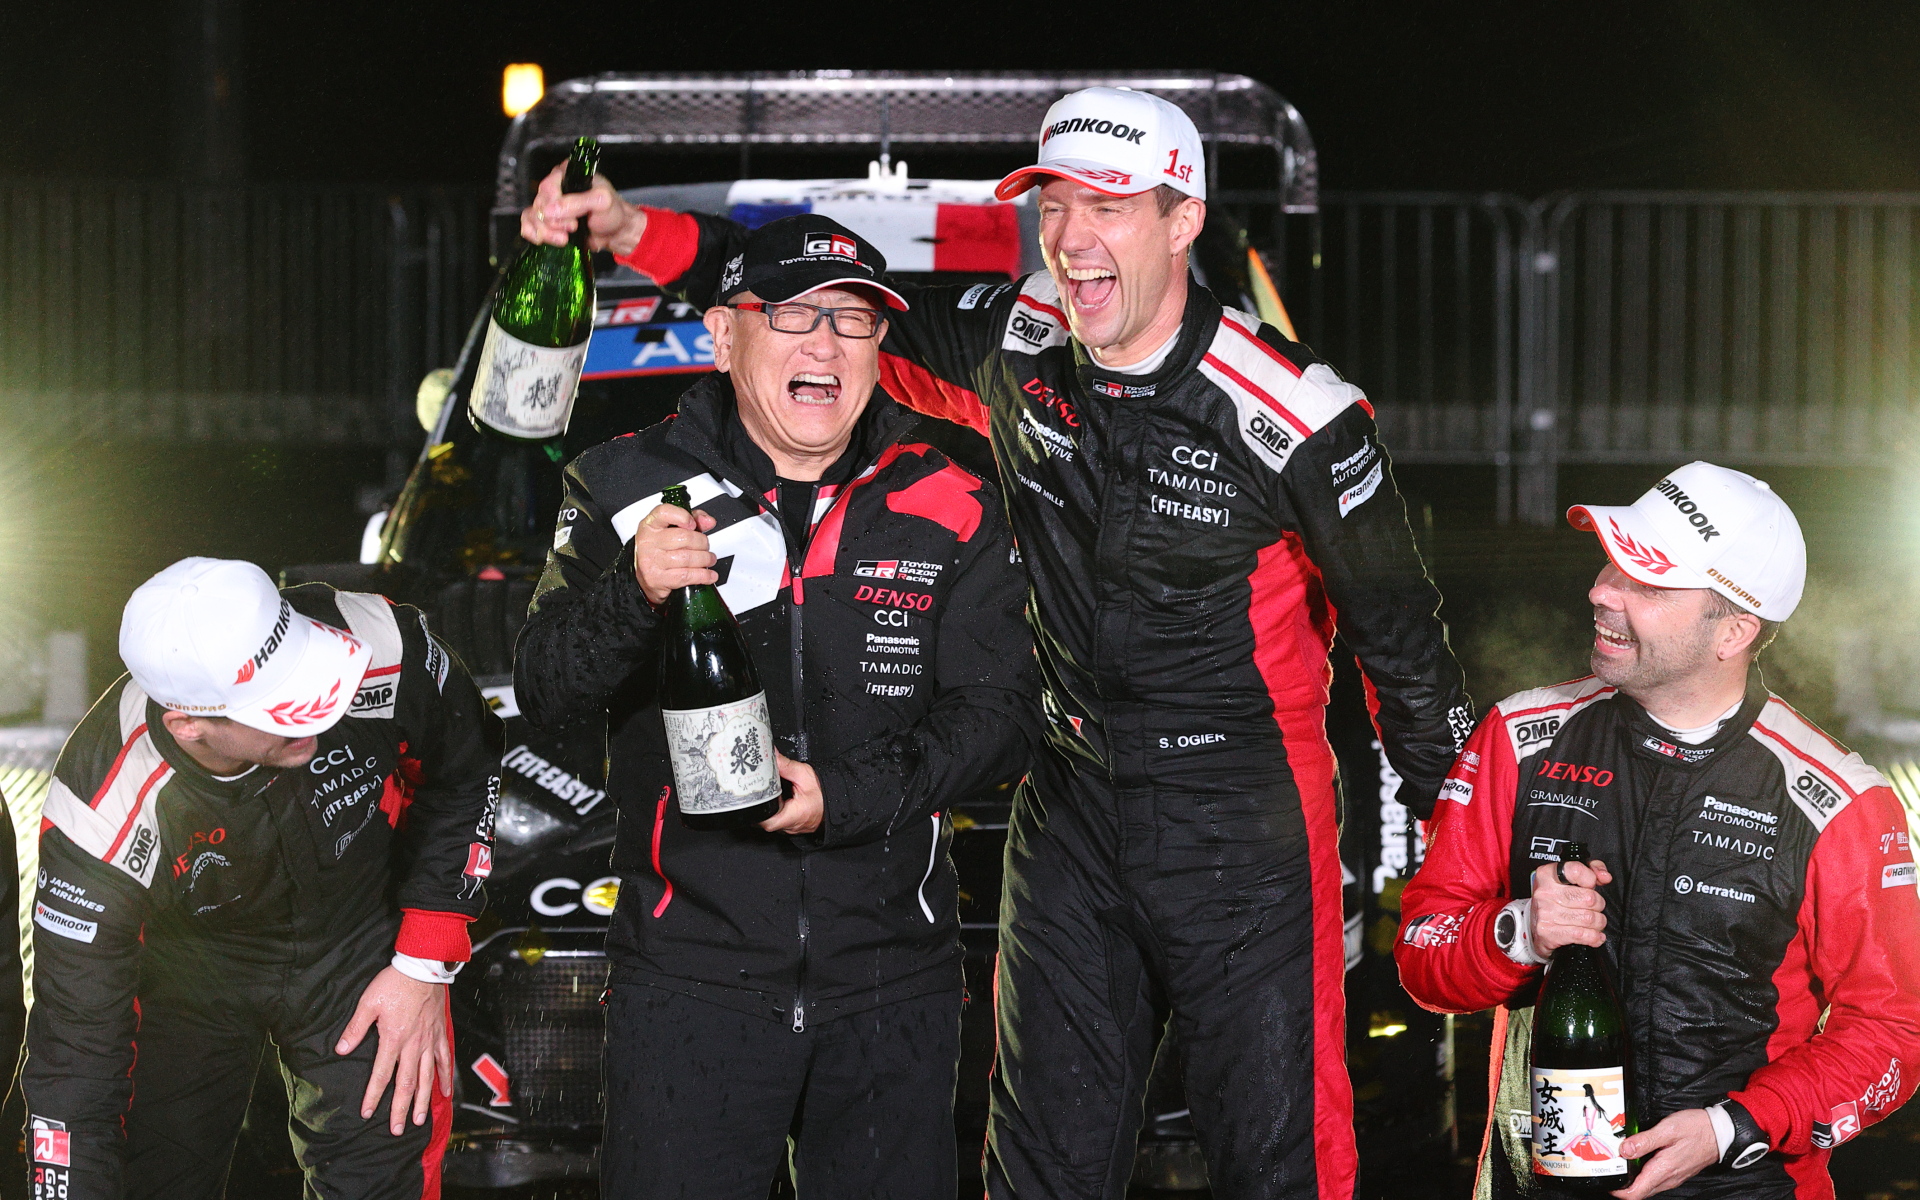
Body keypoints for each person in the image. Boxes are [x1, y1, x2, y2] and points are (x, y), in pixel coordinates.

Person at [521, 85, 1470, 1198]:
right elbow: (797, 299)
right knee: (1041, 1167)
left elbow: (1408, 651)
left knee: (1279, 1160)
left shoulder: (1301, 413)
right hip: (1068, 804)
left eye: (1108, 207)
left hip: (1243, 815)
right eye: (1054, 206)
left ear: (1183, 220)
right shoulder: (1018, 335)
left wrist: (1474, 862)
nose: (1072, 238)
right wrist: (631, 229)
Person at [512, 214, 1038, 1200]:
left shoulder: (959, 493)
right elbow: (545, 690)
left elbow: (1002, 718)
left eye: (853, 319)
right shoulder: (622, 483)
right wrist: (635, 593)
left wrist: (842, 794)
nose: (826, 344)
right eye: (793, 314)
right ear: (723, 335)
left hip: (893, 983)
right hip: (688, 982)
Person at [1396, 462, 1920, 1199]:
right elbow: (1422, 956)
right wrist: (1519, 932)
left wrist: (1732, 1127)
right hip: (1545, 1182)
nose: (1601, 591)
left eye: (1646, 583)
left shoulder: (1840, 802)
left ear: (1733, 630)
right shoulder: (1519, 738)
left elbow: (1893, 1032)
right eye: (1612, 565)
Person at [22, 558, 502, 1200]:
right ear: (188, 725)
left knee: (384, 1174)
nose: (320, 705)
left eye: (306, 670)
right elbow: (74, 1058)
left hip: (358, 940)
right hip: (188, 976)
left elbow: (466, 764)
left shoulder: (379, 640)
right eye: (280, 704)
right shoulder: (97, 809)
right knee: (146, 1179)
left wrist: (424, 961)